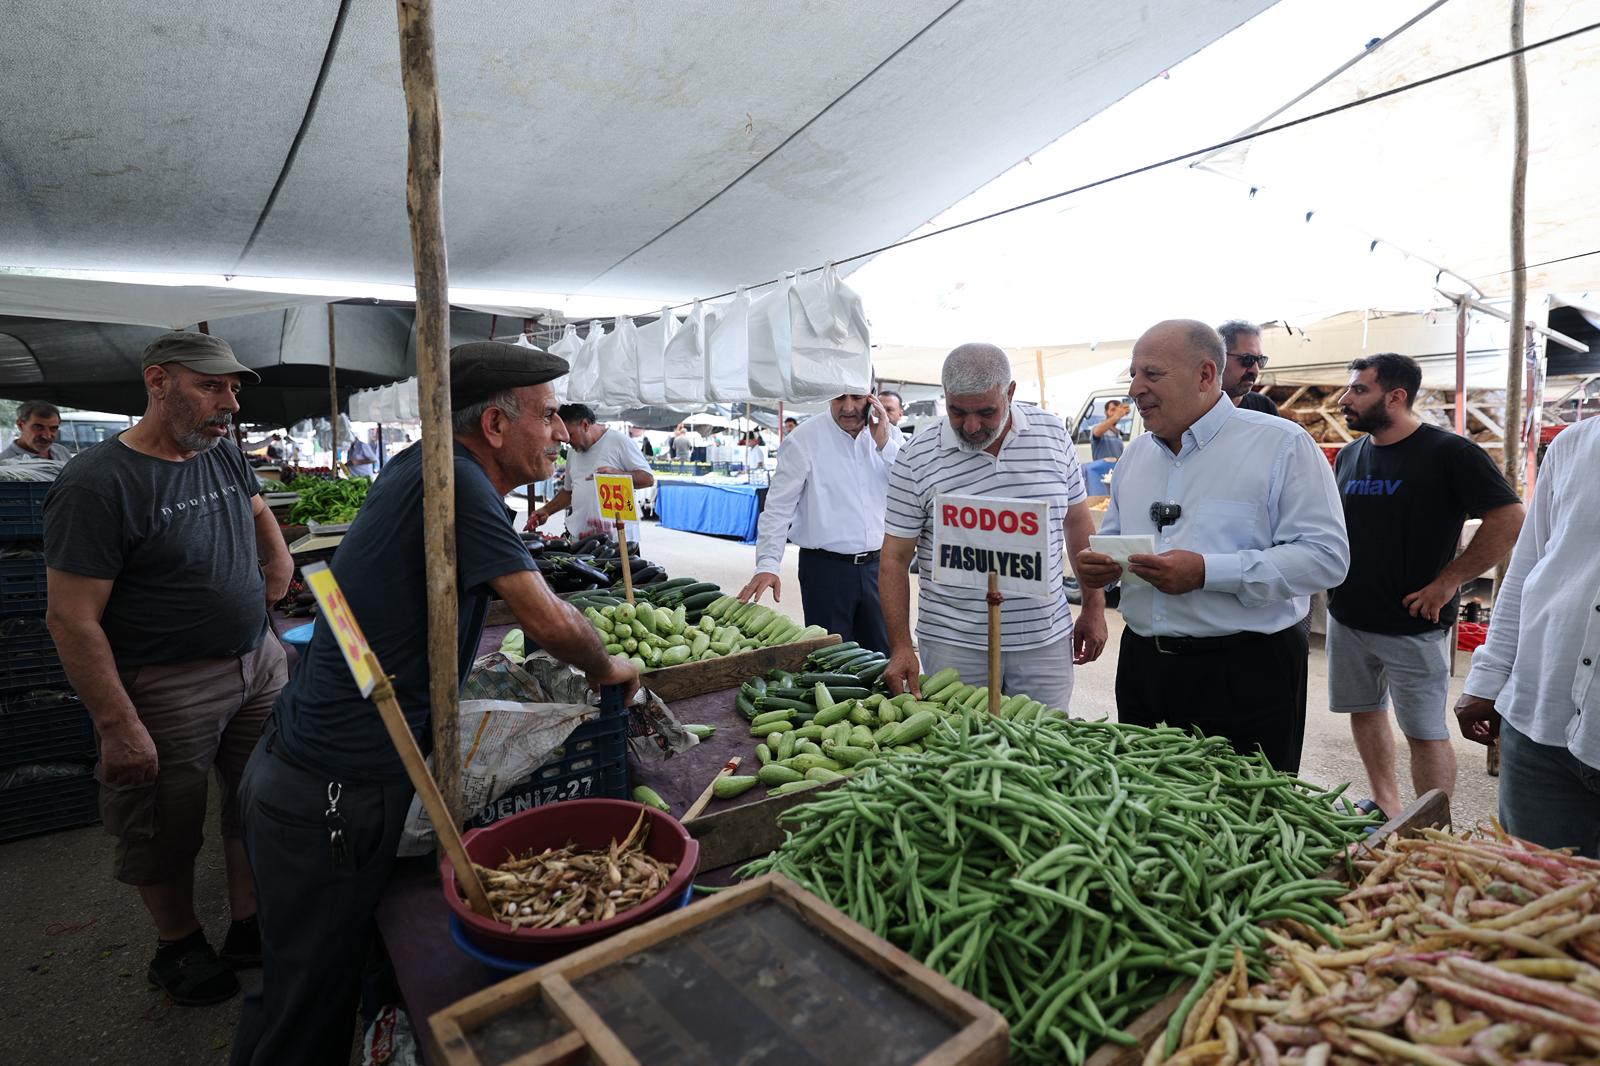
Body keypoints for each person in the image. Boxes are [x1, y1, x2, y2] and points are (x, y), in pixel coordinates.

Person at [232, 342, 640, 1064]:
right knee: (301, 1009)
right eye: (547, 417)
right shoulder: (457, 486)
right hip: (334, 791)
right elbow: (548, 621)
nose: (560, 431)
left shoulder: (426, 466)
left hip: (317, 768)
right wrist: (610, 667)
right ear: (494, 425)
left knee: (308, 986)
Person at [42, 332, 293, 1007]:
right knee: (162, 822)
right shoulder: (97, 482)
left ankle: (249, 923)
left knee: (257, 800)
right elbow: (70, 617)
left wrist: (277, 566)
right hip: (166, 681)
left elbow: (257, 509)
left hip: (257, 663)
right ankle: (177, 944)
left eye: (233, 389)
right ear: (158, 382)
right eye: (213, 386)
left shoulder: (221, 454)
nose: (230, 402)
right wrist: (117, 723)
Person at [1076, 320, 1348, 772]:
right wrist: (1101, 566)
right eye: (1133, 375)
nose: (1135, 389)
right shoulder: (1136, 456)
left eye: (1152, 374)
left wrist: (1208, 572)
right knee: (1147, 819)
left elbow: (1326, 557)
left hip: (1244, 673)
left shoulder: (1280, 445)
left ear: (1205, 376)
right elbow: (1117, 540)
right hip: (1145, 668)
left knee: (1248, 823)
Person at [1327, 353, 1523, 817]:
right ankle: (1384, 800)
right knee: (1364, 710)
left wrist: (1450, 581)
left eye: (1358, 390)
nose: (1344, 399)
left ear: (1395, 397)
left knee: (1423, 731)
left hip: (1414, 621)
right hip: (1348, 615)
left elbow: (1510, 517)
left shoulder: (1450, 453)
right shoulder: (1352, 454)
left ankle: (1430, 829)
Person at [881, 344, 1105, 711]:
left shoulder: (1052, 435)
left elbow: (1077, 523)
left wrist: (1093, 606)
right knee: (961, 752)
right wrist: (901, 645)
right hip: (954, 643)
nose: (971, 426)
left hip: (1043, 640)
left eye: (986, 411)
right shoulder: (916, 455)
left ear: (1010, 393)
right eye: (957, 412)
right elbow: (893, 558)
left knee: (1044, 752)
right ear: (945, 397)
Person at [1455, 415, 1598, 857]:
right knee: (1528, 896)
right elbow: (1529, 567)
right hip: (1538, 720)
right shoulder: (1574, 443)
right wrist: (1488, 676)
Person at [737, 393, 899, 652]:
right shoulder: (804, 439)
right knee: (830, 661)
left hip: (880, 569)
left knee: (883, 656)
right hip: (826, 572)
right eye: (838, 398)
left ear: (871, 396)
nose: (848, 407)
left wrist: (885, 445)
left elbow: (911, 489)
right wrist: (768, 564)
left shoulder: (890, 436)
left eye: (857, 398)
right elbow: (778, 508)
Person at [525, 404, 655, 543]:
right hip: (582, 541)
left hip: (619, 542)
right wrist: (546, 510)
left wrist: (619, 474)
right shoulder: (572, 453)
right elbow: (569, 492)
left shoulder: (619, 442)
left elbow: (647, 479)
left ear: (585, 425)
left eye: (571, 435)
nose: (568, 442)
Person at [1218, 319, 1279, 416]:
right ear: (1219, 358)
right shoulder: (1195, 410)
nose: (1255, 370)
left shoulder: (1264, 407)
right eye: (1247, 359)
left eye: (1260, 360)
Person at [2, 400, 71, 461]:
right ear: (20, 425)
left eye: (53, 428)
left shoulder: (62, 452)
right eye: (38, 427)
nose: (47, 436)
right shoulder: (4, 462)